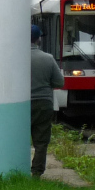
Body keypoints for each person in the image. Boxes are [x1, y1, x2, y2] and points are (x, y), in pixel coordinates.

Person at [30, 24, 65, 178]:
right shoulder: (48, 58)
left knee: (17, 138)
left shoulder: (15, 58)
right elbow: (60, 83)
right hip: (43, 103)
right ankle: (37, 172)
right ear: (38, 39)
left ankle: (17, 169)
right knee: (41, 141)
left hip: (20, 105)